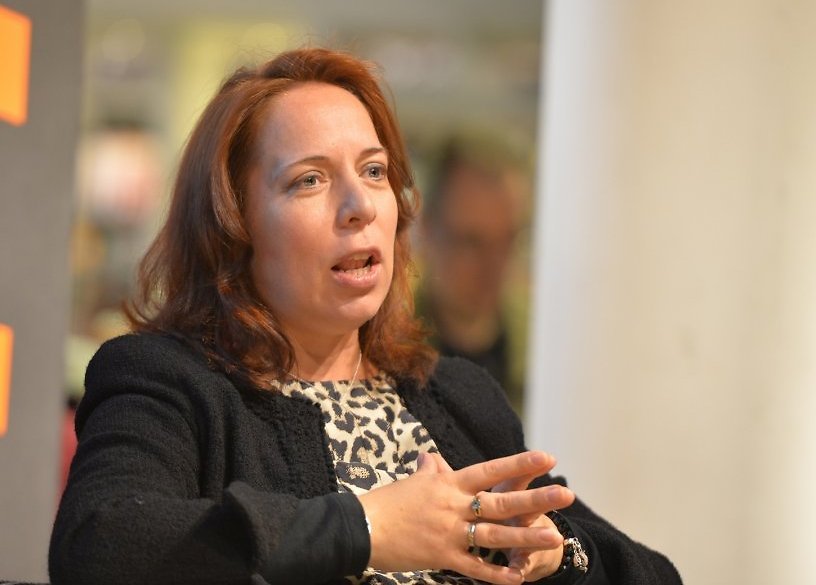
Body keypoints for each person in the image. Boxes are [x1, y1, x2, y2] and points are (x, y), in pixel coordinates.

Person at [49, 47, 681, 585]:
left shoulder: (458, 395)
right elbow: (99, 545)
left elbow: (655, 574)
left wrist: (558, 553)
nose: (360, 205)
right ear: (234, 226)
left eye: (374, 171)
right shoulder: (167, 381)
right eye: (310, 180)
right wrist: (367, 526)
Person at [416, 137, 529, 414]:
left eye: (506, 242)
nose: (492, 266)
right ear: (428, 231)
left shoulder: (542, 349)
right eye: (471, 242)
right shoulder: (383, 350)